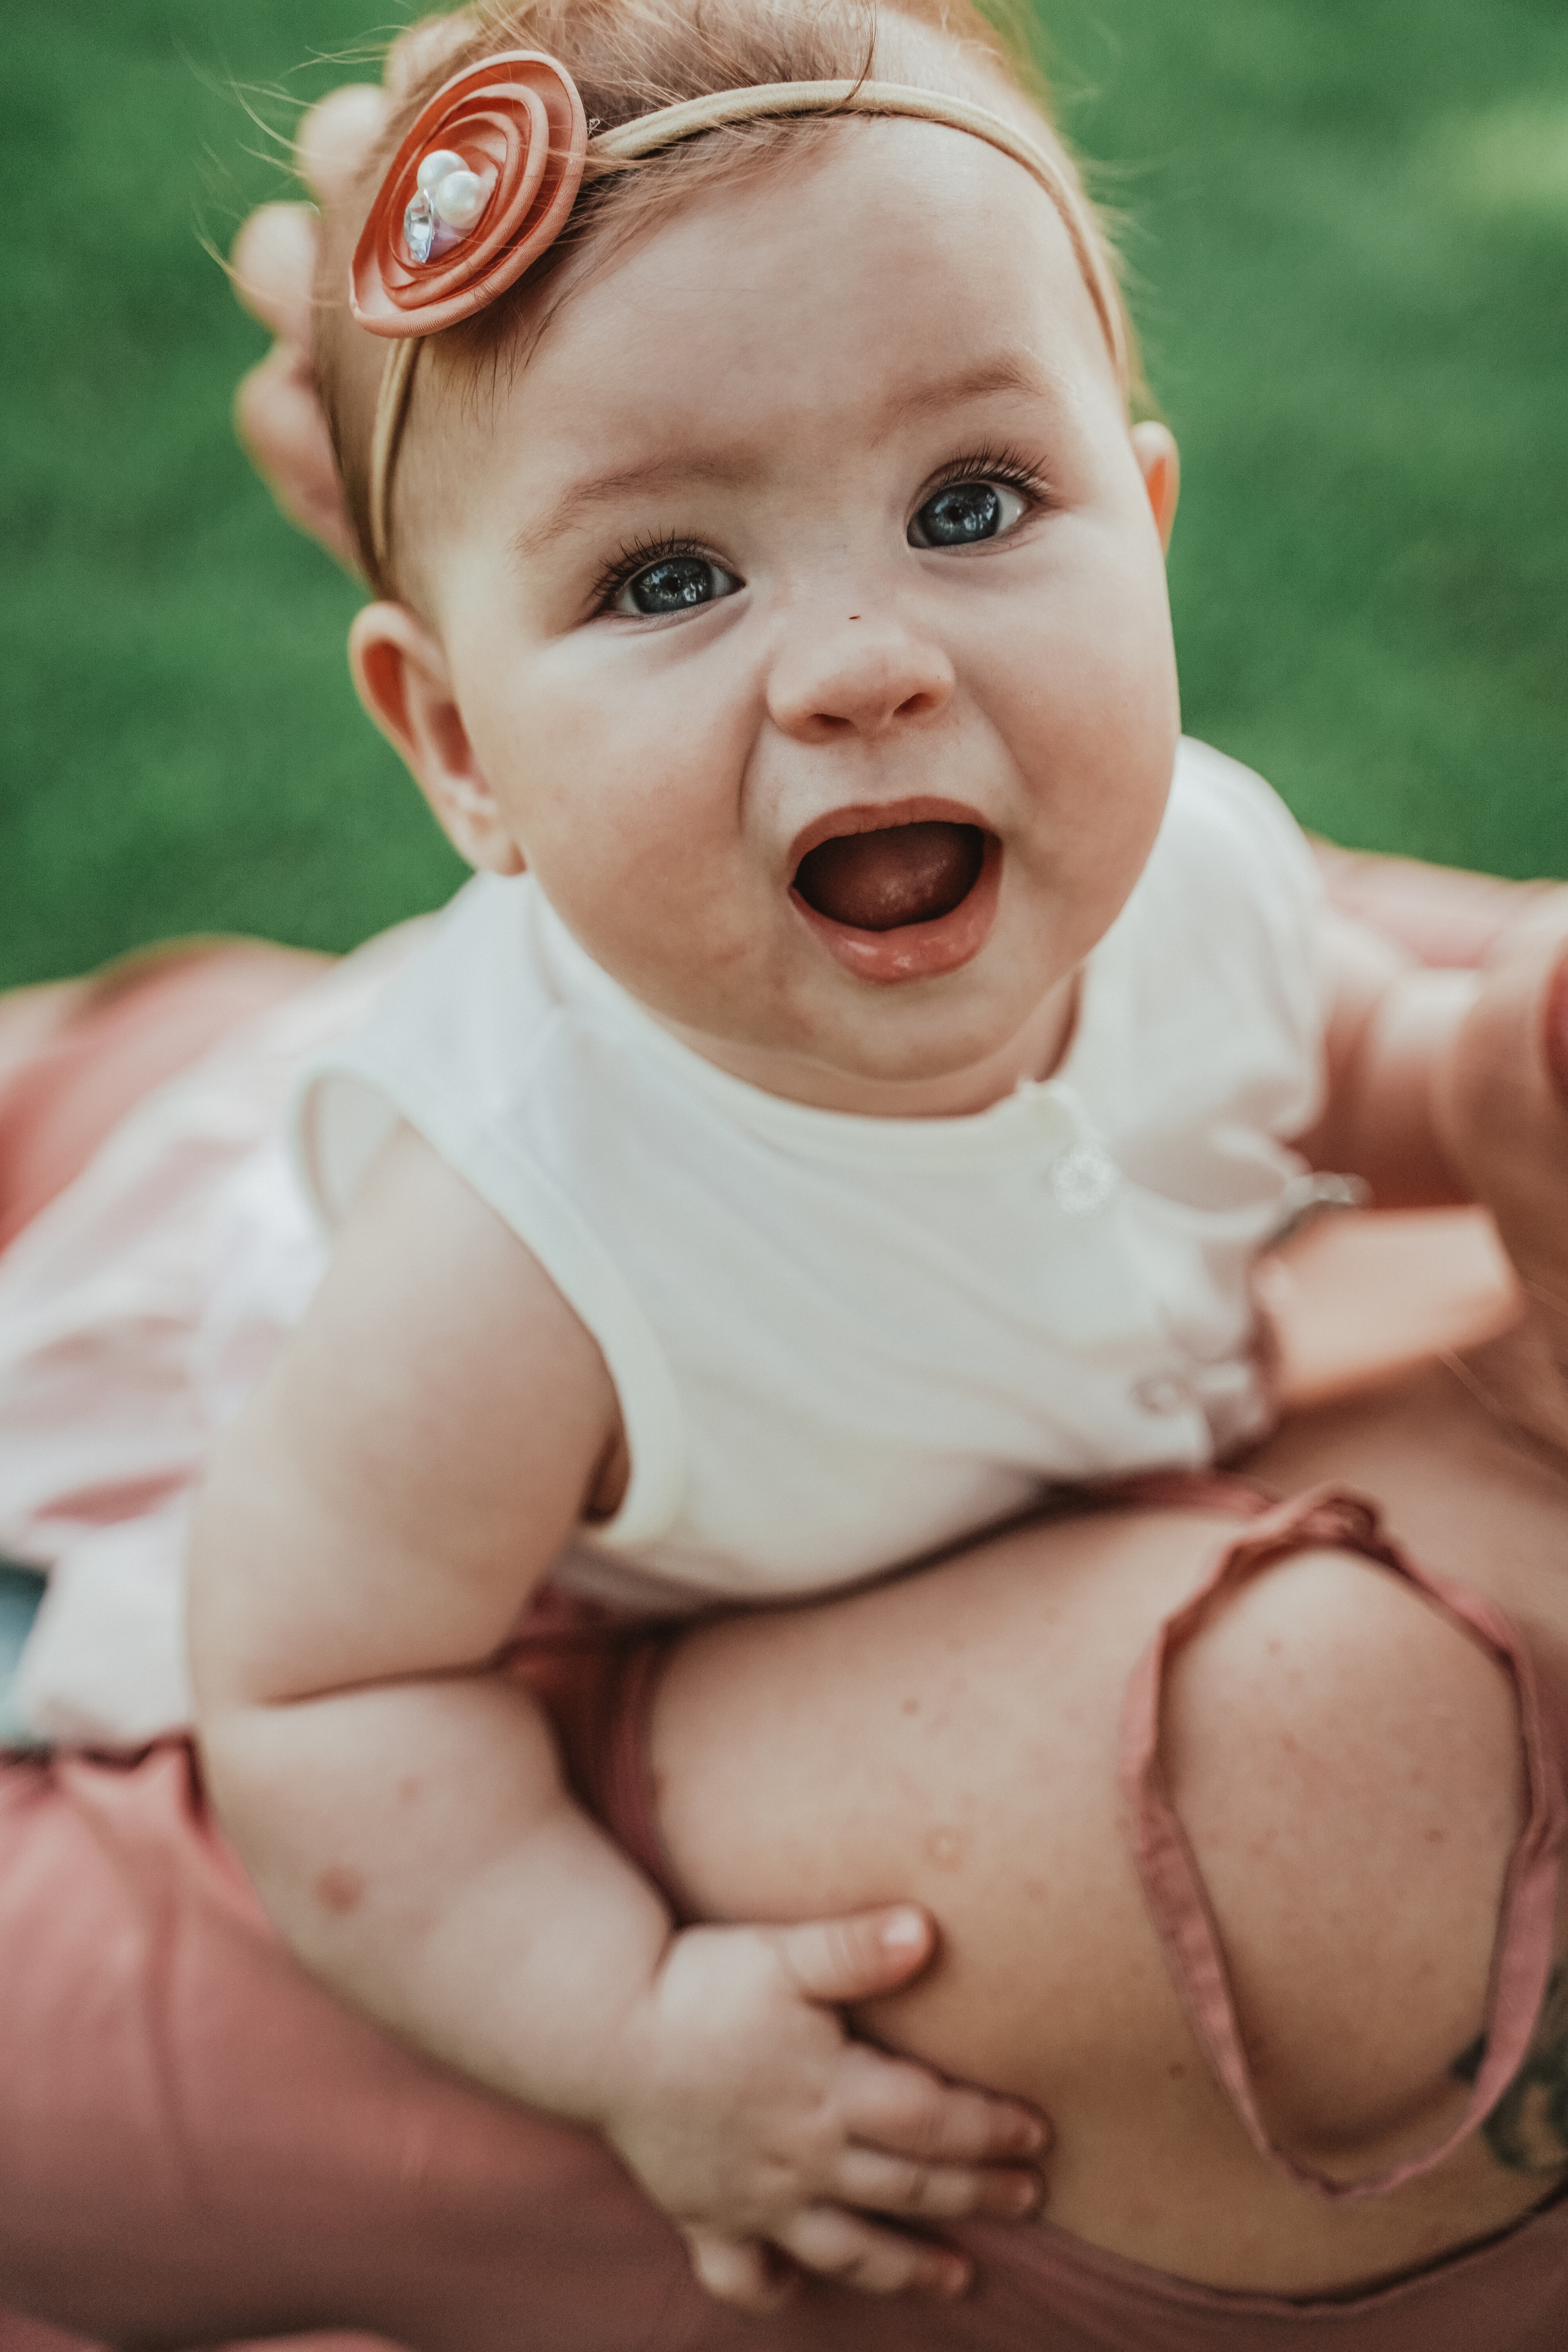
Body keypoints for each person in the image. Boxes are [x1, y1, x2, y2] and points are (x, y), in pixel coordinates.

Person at [2, 2, 1566, 2340]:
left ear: (1140, 522)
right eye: (664, 580)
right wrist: (625, 2026)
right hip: (278, 1542)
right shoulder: (521, 1253)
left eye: (967, 508)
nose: (863, 663)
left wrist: (1483, 1081)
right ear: (455, 741)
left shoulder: (1193, 873)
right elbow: (326, 1704)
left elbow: (1328, 1051)